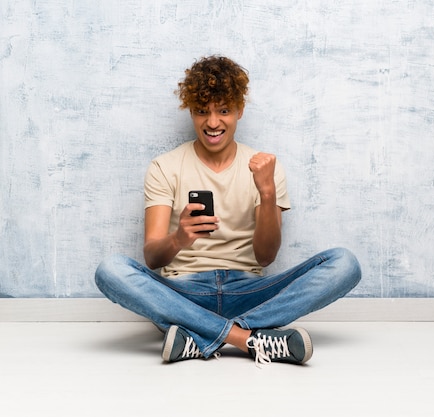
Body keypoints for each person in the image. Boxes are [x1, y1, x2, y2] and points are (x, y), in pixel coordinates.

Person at [94, 55, 362, 366]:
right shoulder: (164, 167)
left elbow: (265, 256)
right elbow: (153, 259)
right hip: (183, 293)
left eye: (223, 111)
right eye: (201, 111)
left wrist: (267, 192)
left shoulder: (265, 168)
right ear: (191, 112)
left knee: (345, 263)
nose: (212, 122)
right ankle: (247, 339)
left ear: (239, 110)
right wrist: (179, 238)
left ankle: (198, 338)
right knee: (110, 269)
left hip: (247, 290)